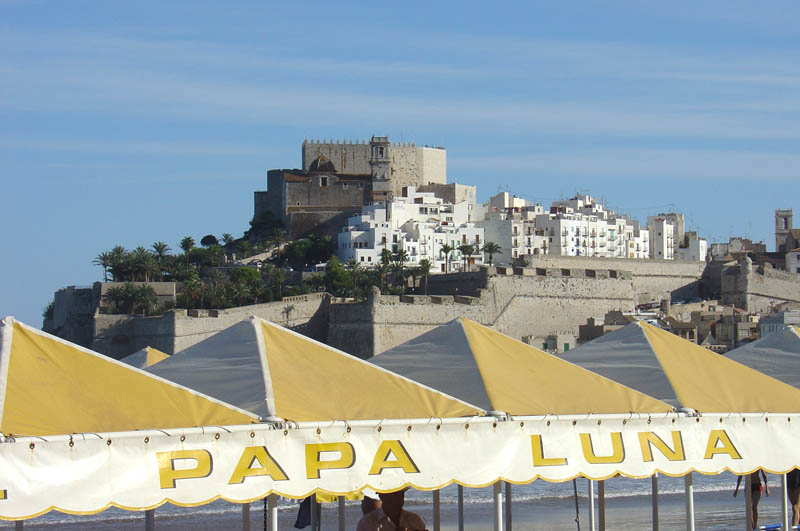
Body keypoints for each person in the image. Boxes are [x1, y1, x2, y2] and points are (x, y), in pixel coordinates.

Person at [357, 489, 427, 531]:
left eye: (401, 494)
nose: (398, 498)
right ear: (382, 496)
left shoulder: (414, 519)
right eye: (394, 495)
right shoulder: (368, 522)